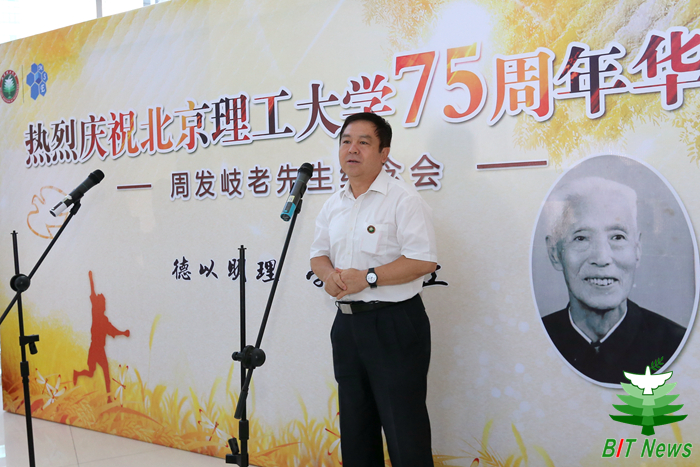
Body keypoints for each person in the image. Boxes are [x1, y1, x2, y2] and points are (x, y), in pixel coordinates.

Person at [310, 112, 437, 467]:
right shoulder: (334, 204)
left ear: (384, 154)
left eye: (363, 142)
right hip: (347, 326)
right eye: (346, 141)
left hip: (394, 324)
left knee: (404, 430)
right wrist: (328, 276)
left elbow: (424, 260)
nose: (352, 149)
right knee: (356, 429)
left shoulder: (403, 199)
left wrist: (367, 278)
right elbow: (318, 255)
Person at [542, 176, 686, 384]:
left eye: (617, 237)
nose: (602, 258)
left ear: (637, 249)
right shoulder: (535, 340)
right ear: (555, 253)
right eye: (581, 237)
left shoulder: (676, 344)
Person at [73, 270, 130, 399]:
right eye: (103, 303)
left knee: (105, 372)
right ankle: (77, 374)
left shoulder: (104, 320)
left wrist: (123, 333)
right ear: (99, 305)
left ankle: (109, 398)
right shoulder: (96, 313)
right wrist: (91, 279)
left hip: (100, 349)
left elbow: (113, 330)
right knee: (91, 372)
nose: (104, 305)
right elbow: (93, 292)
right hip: (94, 348)